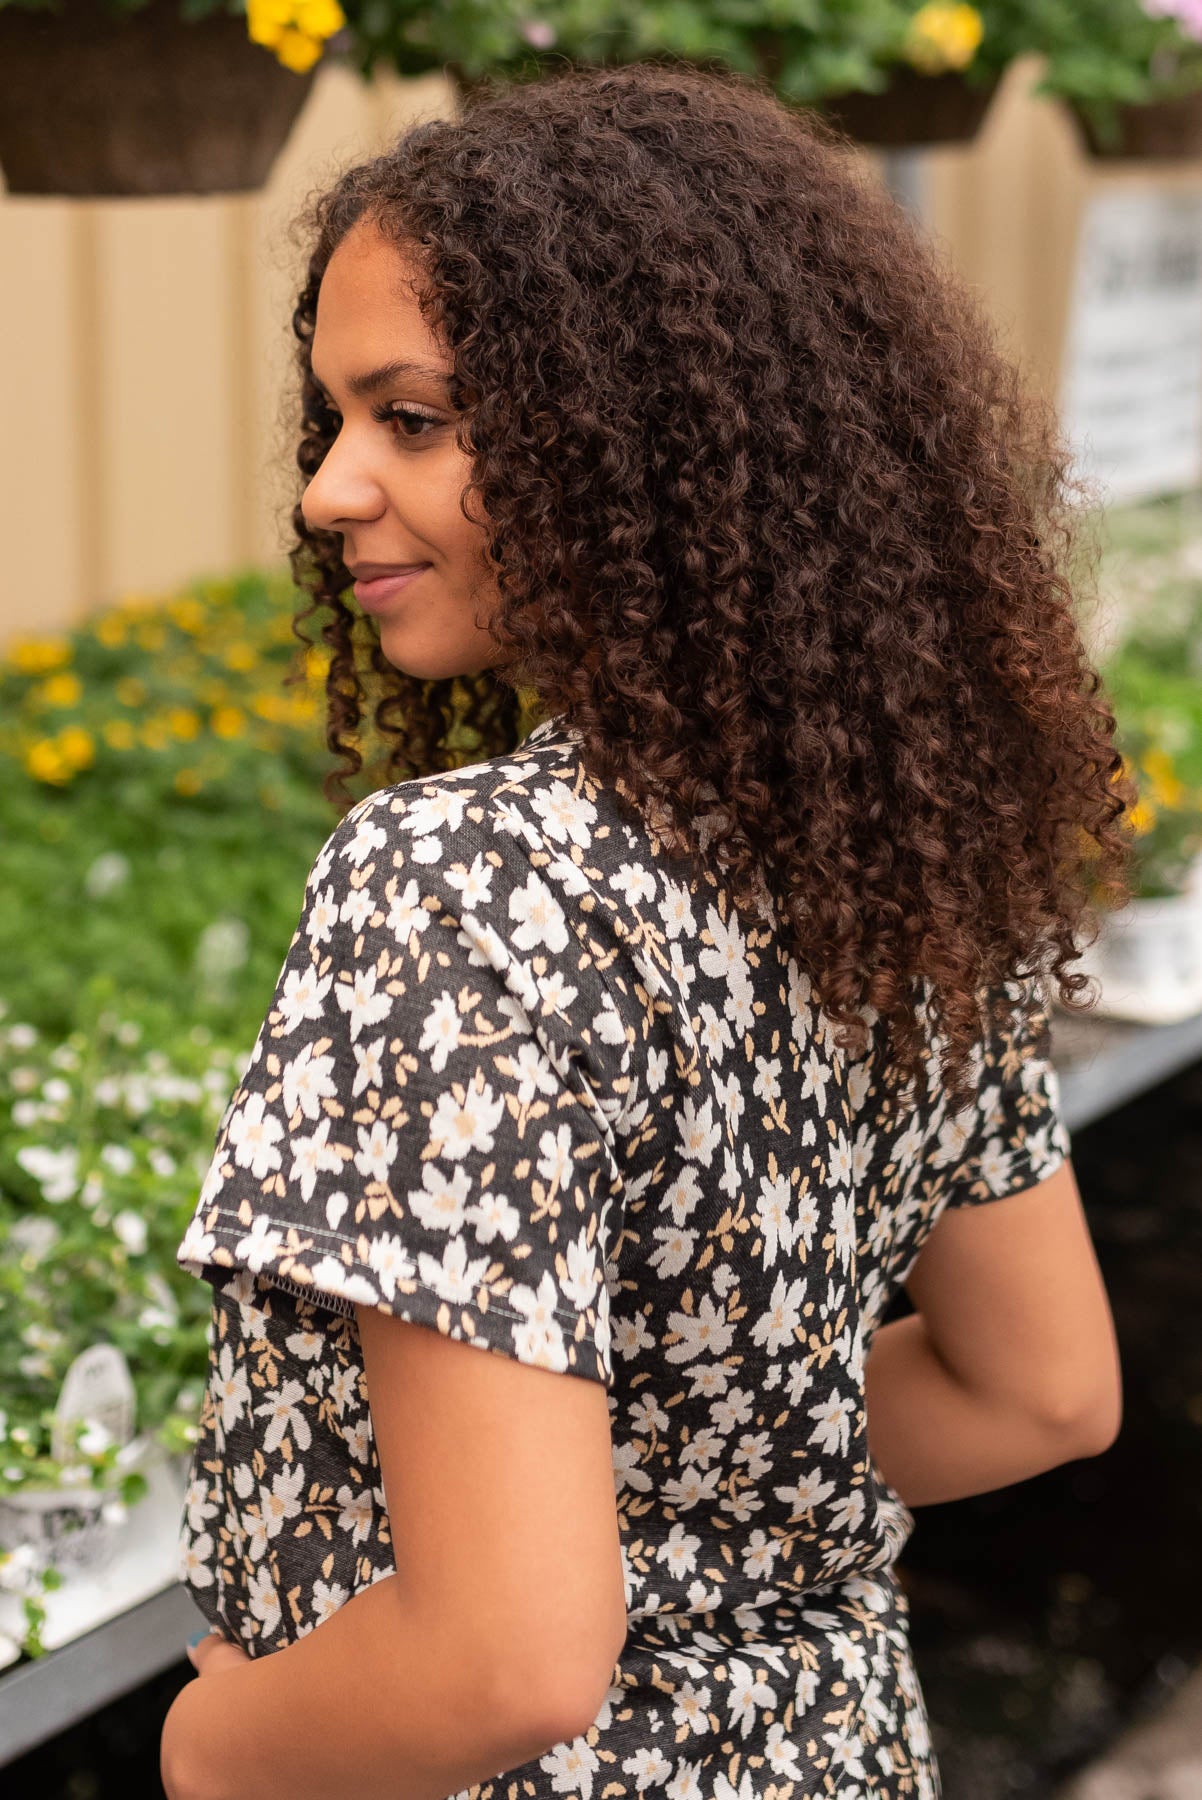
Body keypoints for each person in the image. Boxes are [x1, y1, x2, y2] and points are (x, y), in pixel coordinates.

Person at [160, 58, 1128, 1800]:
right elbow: (1033, 1388)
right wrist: (679, 1511)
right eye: (334, 421)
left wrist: (210, 1749)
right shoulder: (883, 845)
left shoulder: (466, 880)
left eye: (416, 419)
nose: (327, 489)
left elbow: (506, 1660)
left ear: (646, 437)